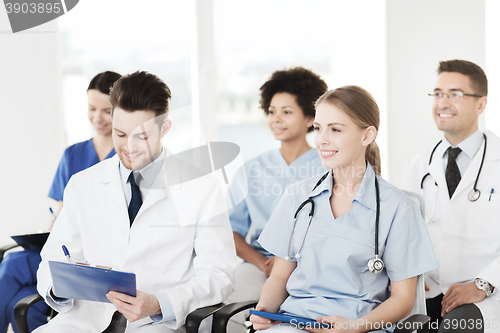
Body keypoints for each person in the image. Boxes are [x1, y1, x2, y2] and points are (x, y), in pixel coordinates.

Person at [34, 71, 236, 332]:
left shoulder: (200, 187)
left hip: (155, 322)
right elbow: (53, 256)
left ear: (164, 128)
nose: (129, 147)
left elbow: (219, 275)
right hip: (86, 319)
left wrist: (159, 303)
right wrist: (57, 284)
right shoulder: (83, 184)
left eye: (141, 136)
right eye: (120, 134)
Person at [251, 86, 437, 333]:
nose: (322, 140)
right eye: (318, 128)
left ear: (367, 135)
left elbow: (403, 299)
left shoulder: (398, 209)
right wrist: (264, 310)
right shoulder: (297, 196)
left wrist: (354, 327)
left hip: (361, 327)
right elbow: (279, 277)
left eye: (335, 130)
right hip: (295, 323)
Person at [0, 71, 121, 333]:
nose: (97, 118)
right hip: (63, 247)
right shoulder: (73, 154)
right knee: (19, 295)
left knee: (13, 279)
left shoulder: (126, 158)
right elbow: (60, 214)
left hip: (95, 254)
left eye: (106, 111)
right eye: (91, 108)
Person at [225, 67, 328, 333]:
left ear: (309, 118)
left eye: (287, 112)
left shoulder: (329, 166)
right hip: (261, 264)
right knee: (228, 314)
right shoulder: (252, 169)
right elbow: (229, 230)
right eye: (271, 111)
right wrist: (263, 263)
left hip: (312, 267)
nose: (276, 119)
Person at [401, 60, 500, 333]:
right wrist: (405, 276)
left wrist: (484, 283)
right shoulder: (416, 167)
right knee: (402, 328)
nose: (442, 103)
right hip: (430, 292)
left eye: (455, 94)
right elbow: (402, 235)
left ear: (481, 105)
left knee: (457, 327)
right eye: (438, 93)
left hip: (489, 294)